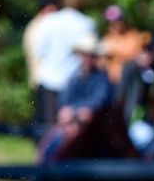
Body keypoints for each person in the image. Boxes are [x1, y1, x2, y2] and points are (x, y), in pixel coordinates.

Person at [38, 35, 114, 163]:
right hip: (72, 120)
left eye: (91, 55)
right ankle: (46, 172)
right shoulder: (74, 76)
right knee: (50, 143)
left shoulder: (102, 77)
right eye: (85, 54)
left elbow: (99, 101)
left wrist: (76, 111)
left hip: (90, 123)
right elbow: (65, 100)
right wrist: (70, 112)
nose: (87, 58)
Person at [34, 0, 97, 133]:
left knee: (49, 129)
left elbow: (40, 52)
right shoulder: (87, 23)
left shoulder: (48, 21)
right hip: (73, 81)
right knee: (72, 131)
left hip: (49, 80)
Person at [23, 0, 58, 136]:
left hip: (49, 79)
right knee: (45, 120)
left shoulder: (49, 26)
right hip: (42, 80)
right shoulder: (36, 28)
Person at [101, 5, 144, 86]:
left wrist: (115, 54)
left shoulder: (134, 36)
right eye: (112, 22)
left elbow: (137, 57)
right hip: (111, 83)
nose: (115, 24)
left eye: (118, 20)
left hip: (130, 82)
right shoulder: (107, 38)